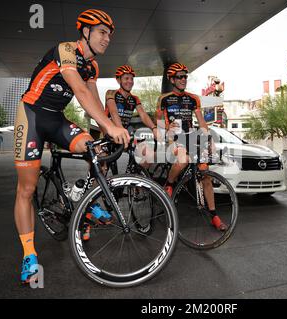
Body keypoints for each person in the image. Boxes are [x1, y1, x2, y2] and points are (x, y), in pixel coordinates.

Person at [13, 9, 130, 284]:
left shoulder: (94, 66)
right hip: (31, 115)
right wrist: (111, 126)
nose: (107, 39)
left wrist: (108, 130)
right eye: (102, 32)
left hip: (56, 120)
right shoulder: (66, 49)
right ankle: (29, 254)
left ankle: (83, 200)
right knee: (26, 189)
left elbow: (93, 100)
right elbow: (78, 90)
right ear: (86, 32)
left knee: (97, 151)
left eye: (109, 35)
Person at [156, 62, 227, 231]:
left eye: (185, 77)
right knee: (183, 159)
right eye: (179, 77)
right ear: (172, 80)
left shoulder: (193, 98)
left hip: (191, 137)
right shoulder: (164, 99)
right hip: (173, 138)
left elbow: (201, 122)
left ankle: (214, 215)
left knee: (205, 174)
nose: (183, 80)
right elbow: (157, 122)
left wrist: (209, 140)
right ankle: (170, 184)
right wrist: (166, 128)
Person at [104, 65, 158, 169]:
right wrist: (120, 129)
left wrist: (154, 128)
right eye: (126, 78)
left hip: (126, 133)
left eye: (132, 79)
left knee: (147, 155)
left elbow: (143, 115)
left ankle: (136, 178)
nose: (130, 81)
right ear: (118, 80)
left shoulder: (134, 98)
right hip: (111, 132)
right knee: (103, 167)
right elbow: (113, 112)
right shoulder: (111, 93)